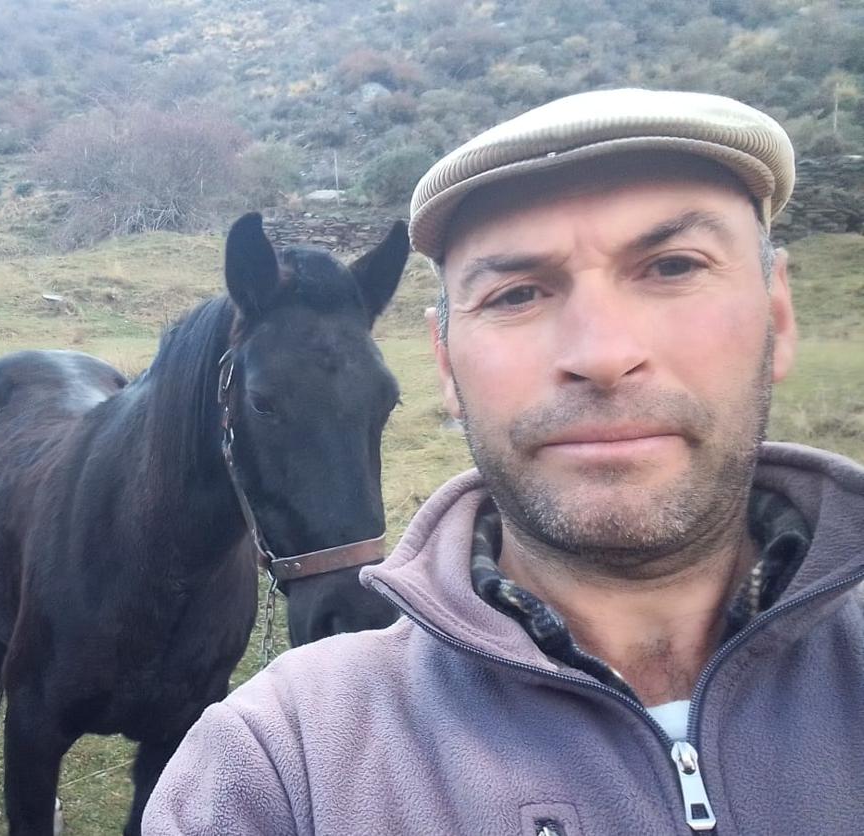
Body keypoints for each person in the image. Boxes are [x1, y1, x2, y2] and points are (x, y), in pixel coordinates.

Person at [141, 89, 864, 835]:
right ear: (445, 365)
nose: (603, 354)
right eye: (516, 292)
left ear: (777, 315)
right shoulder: (282, 758)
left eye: (672, 266)